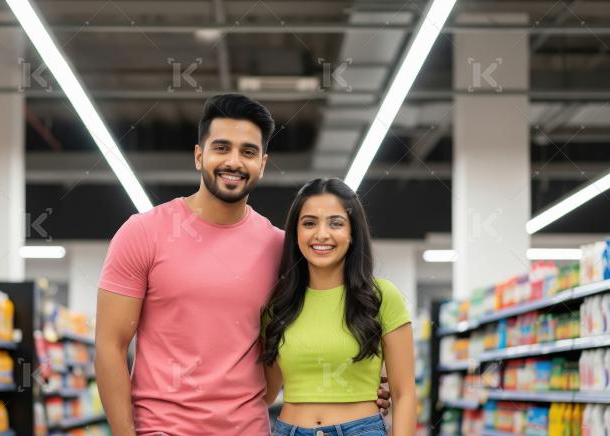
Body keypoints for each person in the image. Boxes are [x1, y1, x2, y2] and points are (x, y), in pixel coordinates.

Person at [95, 94, 390, 436]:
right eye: (221, 148)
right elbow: (109, 346)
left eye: (248, 152)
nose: (234, 162)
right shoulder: (143, 233)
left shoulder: (282, 248)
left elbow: (313, 329)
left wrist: (363, 386)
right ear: (199, 155)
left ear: (262, 164)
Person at [260, 178, 416, 436]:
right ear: (295, 233)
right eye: (309, 223)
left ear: (353, 232)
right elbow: (264, 393)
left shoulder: (382, 297)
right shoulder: (278, 304)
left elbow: (404, 394)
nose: (322, 234)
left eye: (336, 223)